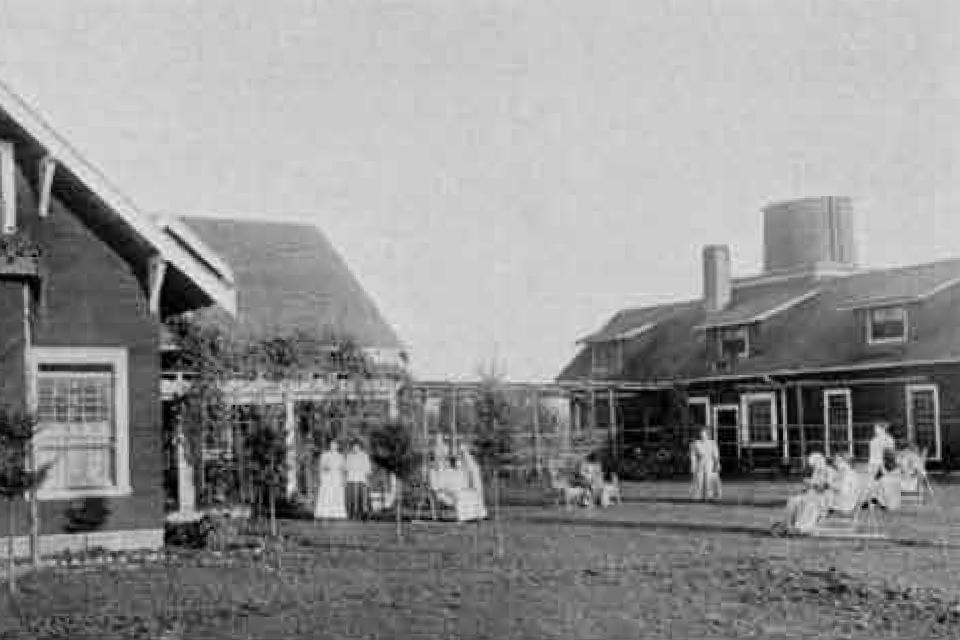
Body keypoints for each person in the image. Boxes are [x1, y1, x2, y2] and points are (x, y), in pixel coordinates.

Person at [782, 452, 835, 534]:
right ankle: (788, 525)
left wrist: (811, 483)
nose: (813, 467)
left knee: (808, 503)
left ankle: (801, 527)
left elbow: (826, 487)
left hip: (823, 497)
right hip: (812, 495)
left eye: (814, 464)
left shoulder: (829, 471)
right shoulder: (816, 472)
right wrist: (806, 489)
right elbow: (812, 487)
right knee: (793, 500)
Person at [314, 440, 347, 520]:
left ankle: (337, 513)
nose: (333, 447)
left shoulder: (340, 456)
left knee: (337, 495)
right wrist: (325, 468)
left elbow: (343, 469)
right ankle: (324, 513)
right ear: (330, 446)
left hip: (337, 478)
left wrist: (343, 479)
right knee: (326, 495)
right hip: (327, 478)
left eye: (335, 445)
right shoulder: (325, 455)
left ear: (337, 446)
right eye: (332, 445)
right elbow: (321, 467)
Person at [458, 442, 488, 520]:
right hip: (468, 484)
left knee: (476, 496)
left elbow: (474, 471)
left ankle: (479, 514)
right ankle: (469, 515)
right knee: (468, 497)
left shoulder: (470, 461)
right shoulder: (464, 461)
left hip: (472, 483)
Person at [690, 428, 721, 501]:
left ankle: (712, 496)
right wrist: (693, 466)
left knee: (710, 479)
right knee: (699, 479)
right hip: (700, 463)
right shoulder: (695, 444)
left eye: (704, 434)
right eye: (701, 434)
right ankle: (699, 496)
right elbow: (693, 456)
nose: (702, 435)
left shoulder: (712, 443)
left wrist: (717, 464)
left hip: (710, 462)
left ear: (707, 435)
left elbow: (716, 455)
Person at [345, 441, 372, 520]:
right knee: (353, 498)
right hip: (352, 480)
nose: (355, 448)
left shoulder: (364, 456)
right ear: (352, 447)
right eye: (354, 447)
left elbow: (368, 468)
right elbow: (346, 467)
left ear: (359, 447)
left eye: (356, 447)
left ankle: (364, 514)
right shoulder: (349, 456)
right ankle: (353, 514)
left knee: (363, 499)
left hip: (362, 480)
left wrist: (367, 478)